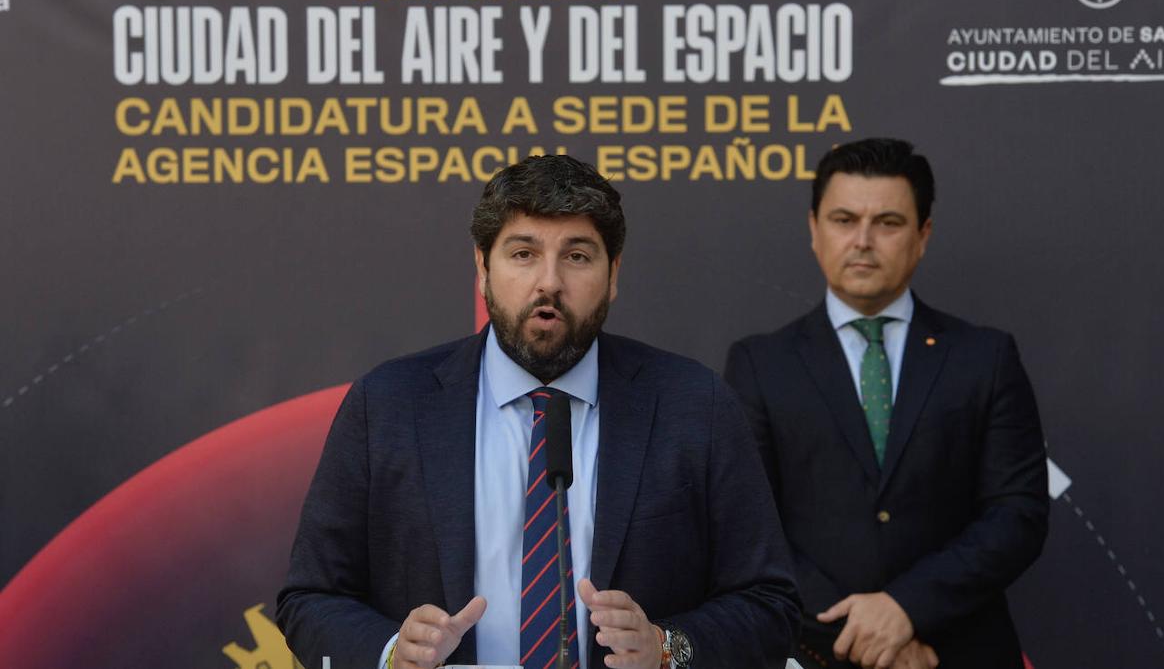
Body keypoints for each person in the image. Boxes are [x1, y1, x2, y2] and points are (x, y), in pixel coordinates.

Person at [277, 154, 799, 669]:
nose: (548, 282)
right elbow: (310, 598)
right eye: (523, 254)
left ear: (613, 273)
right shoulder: (388, 404)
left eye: (577, 256)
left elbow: (769, 603)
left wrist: (667, 647)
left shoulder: (693, 403)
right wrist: (393, 653)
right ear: (483, 268)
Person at [724, 139, 1048, 669]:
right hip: (813, 652)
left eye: (889, 223)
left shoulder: (984, 357)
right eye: (844, 219)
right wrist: (862, 634)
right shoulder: (760, 364)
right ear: (814, 229)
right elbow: (749, 528)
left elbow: (1018, 514)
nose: (864, 241)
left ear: (923, 235)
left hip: (956, 649)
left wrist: (907, 609)